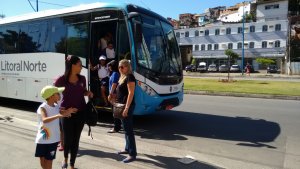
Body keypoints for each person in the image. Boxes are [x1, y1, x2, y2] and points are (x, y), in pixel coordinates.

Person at [54, 55, 93, 169]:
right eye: (80, 65)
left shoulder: (82, 79)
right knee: (67, 139)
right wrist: (61, 109)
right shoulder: (61, 79)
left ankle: (72, 164)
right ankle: (65, 159)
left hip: (80, 113)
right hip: (66, 114)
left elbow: (83, 91)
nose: (81, 67)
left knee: (76, 140)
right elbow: (52, 95)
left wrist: (88, 93)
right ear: (73, 65)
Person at [35, 85, 77, 169]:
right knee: (43, 162)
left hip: (53, 140)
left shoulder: (56, 106)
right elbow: (45, 119)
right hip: (43, 139)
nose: (60, 95)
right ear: (51, 96)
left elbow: (61, 112)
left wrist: (68, 112)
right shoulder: (43, 107)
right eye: (57, 93)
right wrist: (58, 115)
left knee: (49, 161)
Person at [115, 59, 137, 163]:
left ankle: (132, 154)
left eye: (122, 67)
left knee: (129, 131)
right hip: (121, 105)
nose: (120, 69)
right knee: (125, 129)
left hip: (127, 106)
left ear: (128, 67)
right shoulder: (122, 77)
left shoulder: (130, 77)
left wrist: (127, 108)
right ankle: (127, 148)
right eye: (119, 67)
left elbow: (131, 93)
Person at [107, 60, 122, 133]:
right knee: (116, 111)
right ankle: (118, 125)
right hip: (114, 94)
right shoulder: (114, 73)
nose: (108, 67)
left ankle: (116, 127)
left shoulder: (115, 73)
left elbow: (114, 84)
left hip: (114, 95)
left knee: (115, 112)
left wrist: (110, 94)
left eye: (109, 66)